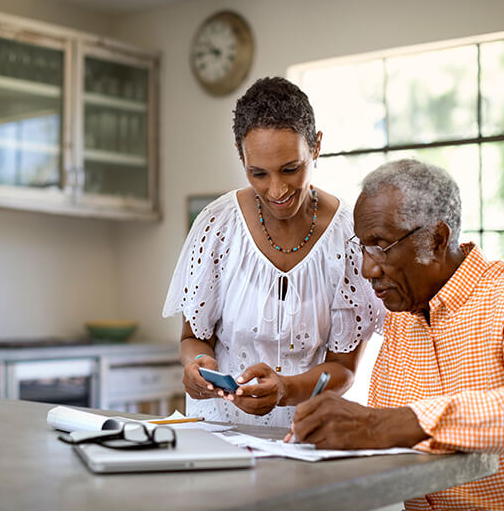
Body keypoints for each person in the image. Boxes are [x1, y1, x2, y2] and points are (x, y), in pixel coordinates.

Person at [288, 159, 504, 511]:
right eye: (362, 246)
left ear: (436, 240)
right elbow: (388, 438)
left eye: (381, 246)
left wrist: (382, 426)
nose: (366, 269)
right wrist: (336, 436)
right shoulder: (400, 317)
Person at [162, 77, 382, 428]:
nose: (276, 189)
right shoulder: (217, 226)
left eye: (291, 169)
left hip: (306, 435)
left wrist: (286, 390)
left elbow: (343, 368)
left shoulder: (348, 238)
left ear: (317, 146)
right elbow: (193, 338)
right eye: (258, 173)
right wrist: (197, 367)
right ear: (240, 155)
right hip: (218, 430)